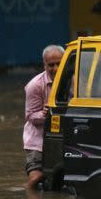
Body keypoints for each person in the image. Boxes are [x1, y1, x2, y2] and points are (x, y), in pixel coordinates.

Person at [23, 45, 64, 190]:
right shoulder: (34, 85)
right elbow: (30, 116)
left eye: (59, 63)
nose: (56, 68)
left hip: (60, 139)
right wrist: (44, 114)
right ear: (44, 65)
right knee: (37, 177)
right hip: (37, 142)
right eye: (51, 65)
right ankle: (27, 192)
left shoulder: (73, 82)